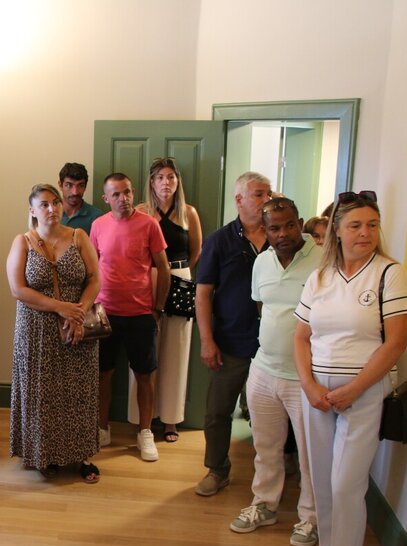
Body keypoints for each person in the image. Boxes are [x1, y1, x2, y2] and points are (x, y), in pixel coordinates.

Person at [293, 191, 407, 546]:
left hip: (363, 392)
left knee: (347, 483)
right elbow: (301, 337)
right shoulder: (320, 277)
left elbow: (395, 343)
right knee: (323, 477)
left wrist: (355, 389)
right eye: (356, 225)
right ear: (337, 232)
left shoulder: (389, 274)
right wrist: (308, 385)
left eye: (372, 225)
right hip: (317, 393)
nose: (365, 233)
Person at [227, 198, 320, 546]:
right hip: (264, 369)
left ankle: (310, 517)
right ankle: (264, 504)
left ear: (300, 223)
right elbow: (262, 308)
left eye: (290, 225)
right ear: (264, 231)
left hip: (305, 376)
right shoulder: (262, 262)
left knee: (309, 455)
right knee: (266, 448)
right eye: (275, 228)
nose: (283, 234)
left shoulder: (323, 261)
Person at [7, 184, 102, 481]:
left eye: (56, 202)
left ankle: (81, 455)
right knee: (42, 394)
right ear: (32, 211)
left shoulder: (79, 237)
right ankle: (43, 454)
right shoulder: (23, 242)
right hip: (36, 330)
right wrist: (61, 307)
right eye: (44, 204)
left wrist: (78, 312)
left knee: (79, 391)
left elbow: (95, 279)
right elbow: (18, 289)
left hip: (76, 326)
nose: (52, 208)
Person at [193, 172, 272, 496]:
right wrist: (207, 341)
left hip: (274, 346)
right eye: (259, 194)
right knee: (217, 412)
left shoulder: (281, 238)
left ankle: (278, 468)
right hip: (231, 342)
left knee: (273, 414)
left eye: (269, 193)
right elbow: (203, 294)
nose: (266, 199)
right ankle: (217, 469)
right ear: (239, 200)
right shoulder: (219, 241)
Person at [90, 172, 170, 461]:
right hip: (105, 314)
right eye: (116, 194)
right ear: (106, 198)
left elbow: (163, 268)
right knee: (103, 374)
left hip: (140, 314)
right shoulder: (98, 225)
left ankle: (145, 432)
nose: (123, 198)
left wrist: (158, 308)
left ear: (133, 192)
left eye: (127, 192)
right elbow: (93, 267)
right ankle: (102, 428)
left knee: (145, 376)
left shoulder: (149, 225)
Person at [129, 157, 203, 443]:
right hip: (146, 279)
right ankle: (142, 419)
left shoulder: (189, 213)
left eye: (171, 176)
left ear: (177, 181)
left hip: (180, 278)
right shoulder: (141, 212)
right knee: (144, 349)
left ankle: (171, 419)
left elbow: (196, 251)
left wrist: (177, 273)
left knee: (177, 350)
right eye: (160, 177)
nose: (166, 182)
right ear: (151, 181)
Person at [58, 162, 105, 233]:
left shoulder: (97, 217)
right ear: (60, 185)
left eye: (80, 185)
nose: (75, 192)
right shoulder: (50, 213)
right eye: (69, 185)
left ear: (85, 187)